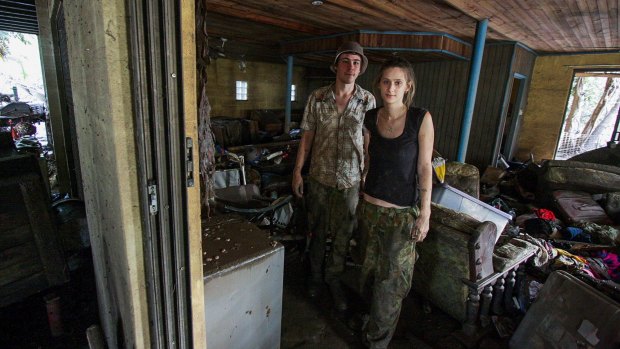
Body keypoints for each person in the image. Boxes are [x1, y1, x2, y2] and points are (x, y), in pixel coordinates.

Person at [291, 41, 376, 311]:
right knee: (316, 232)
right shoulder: (317, 97)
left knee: (342, 236)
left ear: (360, 68)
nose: (351, 67)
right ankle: (315, 278)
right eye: (346, 61)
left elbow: (369, 143)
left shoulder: (368, 101)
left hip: (350, 182)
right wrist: (297, 172)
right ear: (336, 65)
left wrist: (367, 178)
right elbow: (306, 137)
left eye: (356, 62)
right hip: (319, 177)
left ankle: (334, 280)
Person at [358, 57, 434, 348]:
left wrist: (424, 213)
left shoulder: (419, 118)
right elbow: (367, 158)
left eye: (398, 82)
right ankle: (372, 323)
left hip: (400, 216)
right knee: (367, 274)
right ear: (378, 85)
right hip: (369, 210)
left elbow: (425, 167)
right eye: (386, 81)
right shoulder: (370, 117)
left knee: (391, 285)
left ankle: (376, 342)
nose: (391, 87)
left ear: (408, 86)